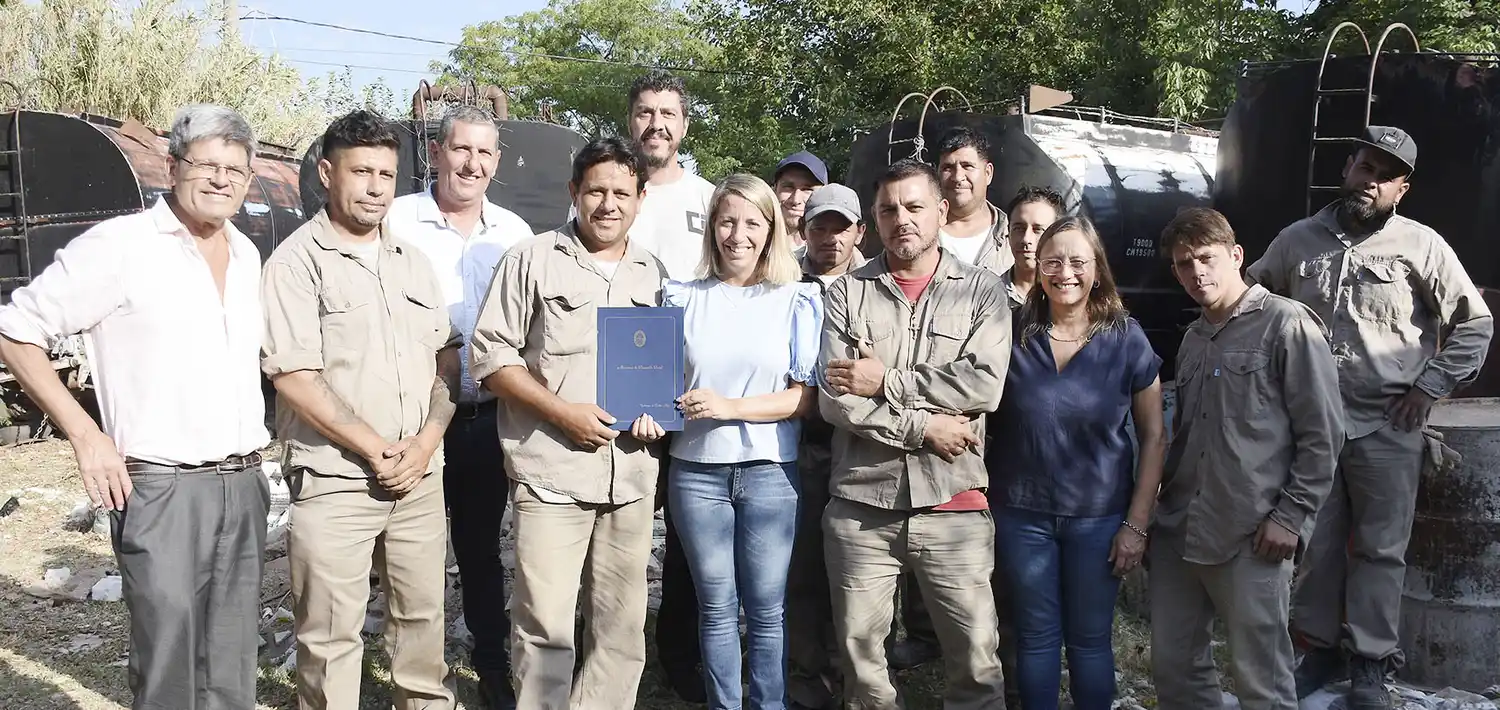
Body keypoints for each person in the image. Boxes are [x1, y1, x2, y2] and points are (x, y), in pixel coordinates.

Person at [0, 104, 268, 710]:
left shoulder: (245, 254)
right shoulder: (120, 247)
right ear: (172, 167)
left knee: (231, 660)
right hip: (161, 487)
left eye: (235, 170)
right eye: (206, 164)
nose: (221, 179)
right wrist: (85, 434)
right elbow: (16, 331)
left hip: (244, 479)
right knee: (169, 657)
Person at [1246, 126, 1494, 709]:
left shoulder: (1423, 246)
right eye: (1365, 167)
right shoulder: (1297, 241)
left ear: (1401, 189)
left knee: (1381, 550)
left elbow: (1475, 322)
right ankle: (1317, 650)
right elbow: (1252, 300)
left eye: (1386, 176)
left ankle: (1371, 663)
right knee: (1316, 542)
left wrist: (1430, 386)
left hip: (1388, 423)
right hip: (1311, 424)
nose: (1371, 182)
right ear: (1348, 168)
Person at [261, 110, 460, 709]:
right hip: (336, 478)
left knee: (422, 620)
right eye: (361, 172)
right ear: (328, 173)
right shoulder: (296, 264)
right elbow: (295, 377)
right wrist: (377, 449)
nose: (376, 187)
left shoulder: (412, 261)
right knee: (329, 634)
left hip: (418, 475)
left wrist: (425, 444)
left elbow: (446, 359)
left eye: (386, 174)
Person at [469, 135, 667, 709]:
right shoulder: (530, 260)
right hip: (551, 473)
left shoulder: (653, 273)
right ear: (574, 191)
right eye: (596, 191)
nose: (609, 204)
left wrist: (659, 413)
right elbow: (491, 359)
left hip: (629, 477)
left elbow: (665, 367)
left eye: (622, 193)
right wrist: (563, 413)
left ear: (641, 198)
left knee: (621, 627)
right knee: (545, 626)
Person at [818, 158, 1012, 709]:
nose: (901, 218)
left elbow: (983, 386)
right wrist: (925, 425)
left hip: (954, 502)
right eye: (888, 209)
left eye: (914, 206)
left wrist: (887, 380)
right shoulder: (847, 294)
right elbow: (838, 400)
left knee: (976, 662)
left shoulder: (982, 292)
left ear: (941, 212)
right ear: (874, 220)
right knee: (862, 666)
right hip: (862, 504)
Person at [1152, 207, 1344, 710]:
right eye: (1184, 263)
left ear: (1236, 255)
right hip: (1182, 526)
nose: (1197, 272)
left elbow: (1324, 433)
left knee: (1261, 680)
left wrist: (1291, 516)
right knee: (1174, 667)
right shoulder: (1193, 339)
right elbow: (1184, 434)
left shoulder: (1286, 324)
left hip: (1252, 533)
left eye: (1206, 258)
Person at [384, 104, 534, 710]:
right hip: (412, 420)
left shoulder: (515, 234)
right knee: (409, 556)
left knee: (479, 549)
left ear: (497, 162)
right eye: (461, 149)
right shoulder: (397, 221)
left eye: (484, 152)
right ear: (436, 152)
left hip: (484, 420)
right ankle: (417, 674)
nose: (472, 163)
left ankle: (491, 662)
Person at [987, 216, 1165, 710]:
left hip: (1099, 519)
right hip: (1021, 514)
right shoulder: (1011, 332)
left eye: (1077, 262)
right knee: (1036, 635)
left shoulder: (1126, 337)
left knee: (1089, 640)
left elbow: (1154, 437)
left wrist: (1137, 524)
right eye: (1053, 262)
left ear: (1097, 268)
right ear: (1037, 268)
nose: (1065, 273)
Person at [664, 173, 823, 709]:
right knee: (715, 607)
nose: (738, 235)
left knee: (767, 610)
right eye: (727, 221)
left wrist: (730, 407)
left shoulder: (796, 299)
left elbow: (802, 400)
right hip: (696, 472)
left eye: (752, 222)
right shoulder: (680, 298)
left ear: (771, 229)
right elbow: (657, 384)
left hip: (770, 472)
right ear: (711, 227)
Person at [625, 69, 719, 701]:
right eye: (645, 112)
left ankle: (679, 652)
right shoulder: (610, 189)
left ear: (684, 124)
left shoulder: (708, 199)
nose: (655, 124)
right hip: (621, 382)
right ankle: (611, 644)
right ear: (630, 120)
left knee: (687, 535)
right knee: (621, 526)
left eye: (668, 113)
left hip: (690, 389)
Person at [786, 183, 865, 710]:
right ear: (804, 229)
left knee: (857, 567)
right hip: (797, 442)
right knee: (802, 565)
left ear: (859, 232)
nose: (830, 238)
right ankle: (803, 672)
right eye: (820, 226)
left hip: (856, 443)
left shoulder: (875, 284)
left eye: (842, 228)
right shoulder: (780, 279)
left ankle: (851, 671)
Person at [934, 126, 1011, 274]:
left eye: (967, 166)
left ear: (988, 173)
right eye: (948, 168)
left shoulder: (1014, 236)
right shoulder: (921, 233)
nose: (957, 177)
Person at [1002, 186, 1065, 309]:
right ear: (1008, 233)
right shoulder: (988, 295)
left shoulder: (1071, 295)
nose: (1026, 239)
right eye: (1018, 229)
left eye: (1038, 230)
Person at [772, 150, 828, 248]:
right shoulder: (755, 244)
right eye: (788, 187)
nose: (795, 200)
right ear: (774, 189)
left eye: (807, 189)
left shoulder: (834, 248)